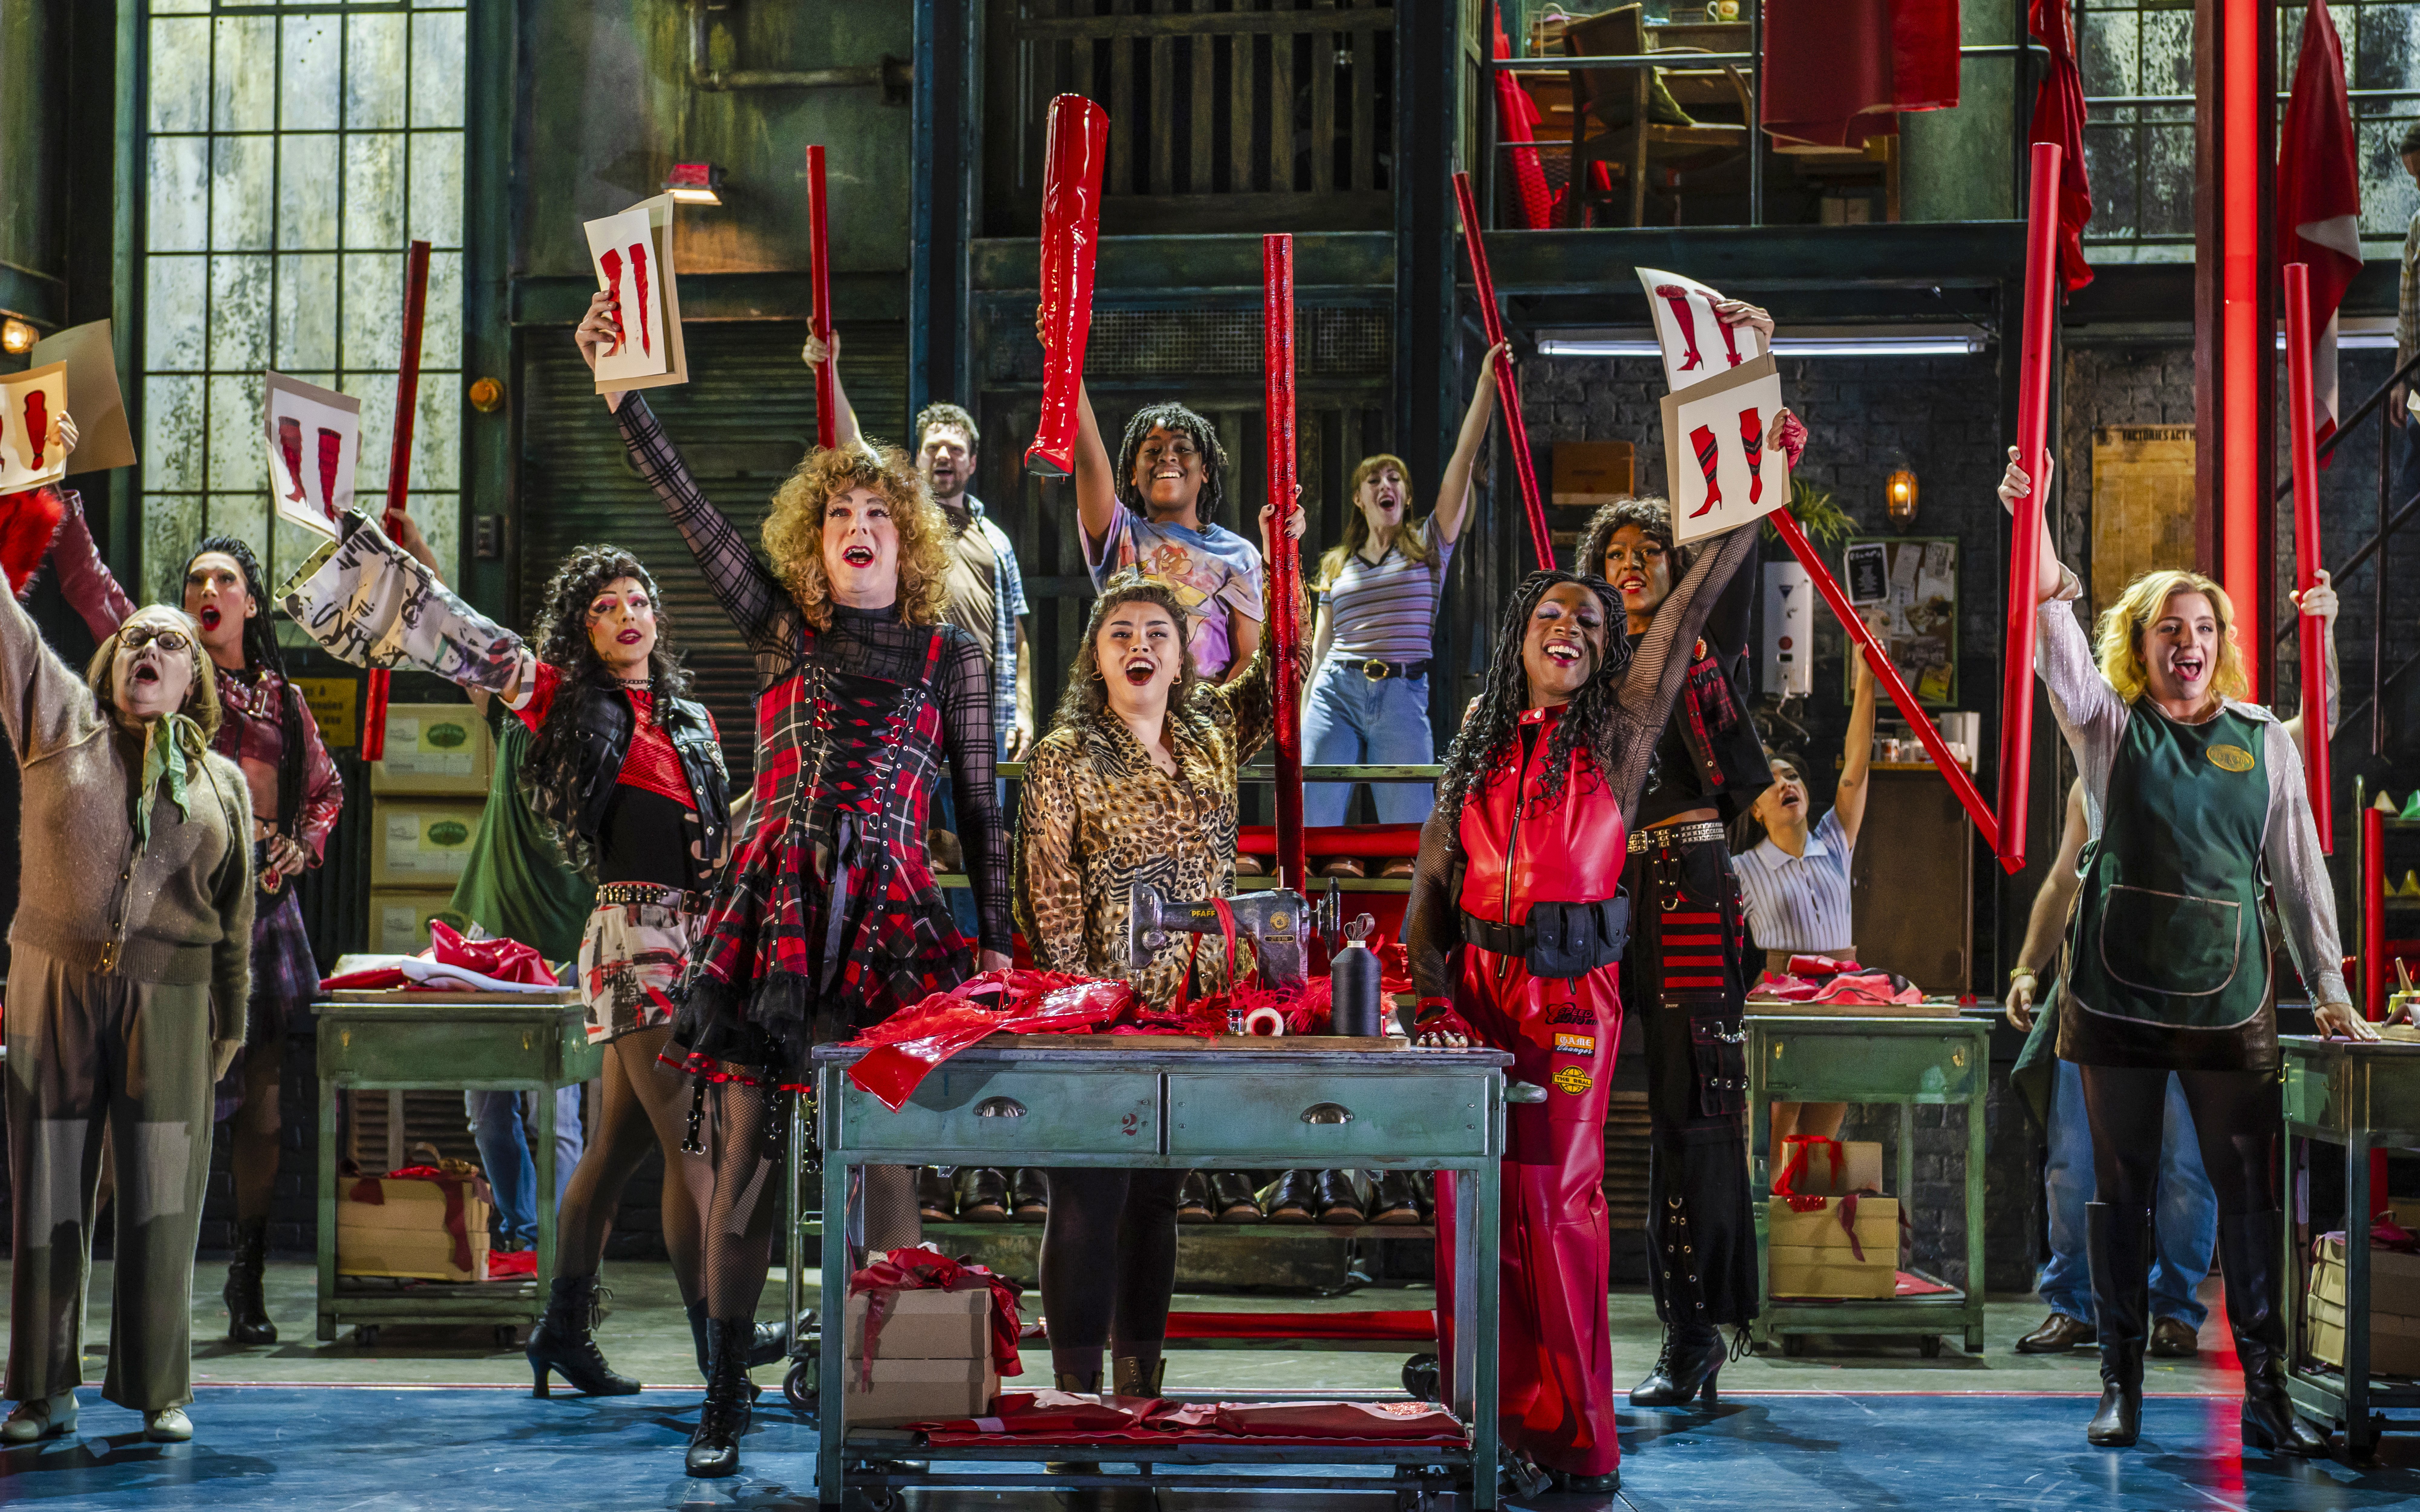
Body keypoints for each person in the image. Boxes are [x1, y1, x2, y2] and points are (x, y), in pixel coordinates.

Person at [580, 290, 1011, 1479]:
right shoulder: (781, 632)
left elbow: (984, 810)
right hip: (769, 924)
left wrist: (1000, 945)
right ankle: (724, 1395)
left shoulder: (954, 655)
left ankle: (880, 1389)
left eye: (878, 513)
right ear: (813, 545)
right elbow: (687, 507)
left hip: (892, 926)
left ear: (908, 542)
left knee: (884, 1167)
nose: (858, 524)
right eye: (838, 514)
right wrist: (622, 396)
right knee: (748, 1166)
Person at [283, 515, 757, 1399]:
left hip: (695, 940)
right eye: (604, 605)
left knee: (613, 1150)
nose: (626, 614)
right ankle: (721, 1350)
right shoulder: (566, 702)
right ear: (582, 626)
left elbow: (712, 835)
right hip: (632, 936)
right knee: (695, 1150)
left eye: (638, 600)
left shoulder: (691, 717)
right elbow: (466, 639)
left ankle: (560, 1330)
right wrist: (382, 573)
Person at [2000, 447, 2368, 1455]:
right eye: (2170, 627)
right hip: (2114, 998)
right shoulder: (2107, 730)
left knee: (2247, 1190)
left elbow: (2300, 873)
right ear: (2140, 645)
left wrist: (2329, 986)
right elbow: (2054, 631)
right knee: (2119, 1189)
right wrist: (2033, 517)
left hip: (2229, 1001)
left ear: (2224, 645)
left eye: (2204, 628)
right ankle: (2120, 1386)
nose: (2189, 642)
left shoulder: (2267, 740)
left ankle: (2268, 1399)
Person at [1402, 513, 1760, 1494]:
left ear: (1610, 654)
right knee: (1471, 1210)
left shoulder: (1621, 736)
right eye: (1551, 615)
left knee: (1557, 1208)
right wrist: (1429, 1001)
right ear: (1520, 637)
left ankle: (1574, 1445)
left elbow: (1685, 617)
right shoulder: (1474, 749)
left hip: (1568, 1007)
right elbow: (1430, 890)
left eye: (1592, 623)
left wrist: (1750, 507)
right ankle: (1486, 1429)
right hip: (1477, 1007)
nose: (1569, 628)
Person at [1574, 299, 1802, 1410]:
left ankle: (1694, 1336)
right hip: (1592, 896)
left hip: (1686, 888)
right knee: (1564, 1103)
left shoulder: (1698, 656)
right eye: (1613, 556)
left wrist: (1754, 367)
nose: (1630, 567)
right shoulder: (1575, 668)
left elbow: (1756, 795)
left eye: (1647, 553)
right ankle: (1557, 1326)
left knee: (1693, 1113)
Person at [47, 497, 342, 1351]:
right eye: (195, 582)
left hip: (262, 919)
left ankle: (245, 1285)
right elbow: (91, 586)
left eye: (225, 581)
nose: (208, 591)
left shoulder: (284, 702)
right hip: (165, 916)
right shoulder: (159, 668)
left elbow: (325, 790)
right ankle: (71, 1293)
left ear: (250, 603)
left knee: (263, 1113)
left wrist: (301, 845)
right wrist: (62, 498)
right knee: (136, 1117)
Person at [1015, 537, 1300, 1401]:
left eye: (1157, 634)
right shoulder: (1065, 754)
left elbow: (1283, 668)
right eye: (1120, 634)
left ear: (1182, 660)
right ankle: (1076, 1398)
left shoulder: (1210, 732)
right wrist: (1079, 1009)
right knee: (1089, 1197)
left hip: (1197, 1008)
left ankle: (1138, 1390)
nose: (1139, 645)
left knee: (1156, 1199)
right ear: (1095, 659)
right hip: (1103, 1013)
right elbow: (1047, 892)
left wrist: (1282, 561)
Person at [0, 589, 253, 1446]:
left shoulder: (222, 783)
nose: (150, 647)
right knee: (48, 1188)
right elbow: (10, 632)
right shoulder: (59, 725)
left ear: (194, 680)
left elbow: (235, 920)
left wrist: (230, 1022)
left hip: (175, 999)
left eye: (171, 643)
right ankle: (43, 1390)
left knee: (163, 1196)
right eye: (136, 637)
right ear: (111, 664)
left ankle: (158, 1389)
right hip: (53, 985)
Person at [805, 332, 1042, 1224]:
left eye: (955, 448)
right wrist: (831, 370)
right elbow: (849, 452)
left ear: (973, 459)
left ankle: (960, 991)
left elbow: (1015, 628)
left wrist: (1020, 704)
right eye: (930, 448)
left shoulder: (994, 540)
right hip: (896, 702)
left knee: (974, 836)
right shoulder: (896, 521)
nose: (943, 458)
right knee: (913, 839)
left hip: (968, 700)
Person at [2006, 781, 2218, 1361]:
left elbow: (2300, 741)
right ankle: (2073, 1304)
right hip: (2095, 994)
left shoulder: (2208, 760)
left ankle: (2175, 1310)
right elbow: (2062, 880)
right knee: (2074, 1159)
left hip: (2183, 996)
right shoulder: (2090, 780)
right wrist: (2027, 969)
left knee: (2186, 1162)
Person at [1300, 349, 1502, 865]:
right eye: (1375, 480)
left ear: (1407, 496)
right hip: (1336, 690)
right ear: (1359, 498)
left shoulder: (1429, 544)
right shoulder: (1337, 564)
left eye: (1395, 479)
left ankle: (1402, 915)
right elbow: (1320, 648)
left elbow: (1463, 460)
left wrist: (1485, 383)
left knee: (1408, 834)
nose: (1385, 486)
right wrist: (1302, 715)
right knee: (1312, 817)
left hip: (1401, 691)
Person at [1729, 640, 1875, 1178]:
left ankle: (1807, 1222)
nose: (1785, 783)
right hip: (1782, 1002)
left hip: (1843, 993)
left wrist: (1866, 678)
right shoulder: (1742, 868)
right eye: (1772, 782)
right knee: (1775, 1131)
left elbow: (1856, 767)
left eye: (1791, 775)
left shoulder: (1834, 841)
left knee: (1820, 1138)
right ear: (1757, 811)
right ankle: (1762, 1221)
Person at [1052, 314, 1261, 684]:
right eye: (1152, 450)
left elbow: (1248, 657)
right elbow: (1089, 456)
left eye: (1183, 449)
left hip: (1203, 708)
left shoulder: (1237, 554)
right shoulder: (1119, 534)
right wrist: (1064, 356)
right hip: (1126, 705)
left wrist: (1209, 715)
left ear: (1205, 470)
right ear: (1133, 473)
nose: (1167, 457)